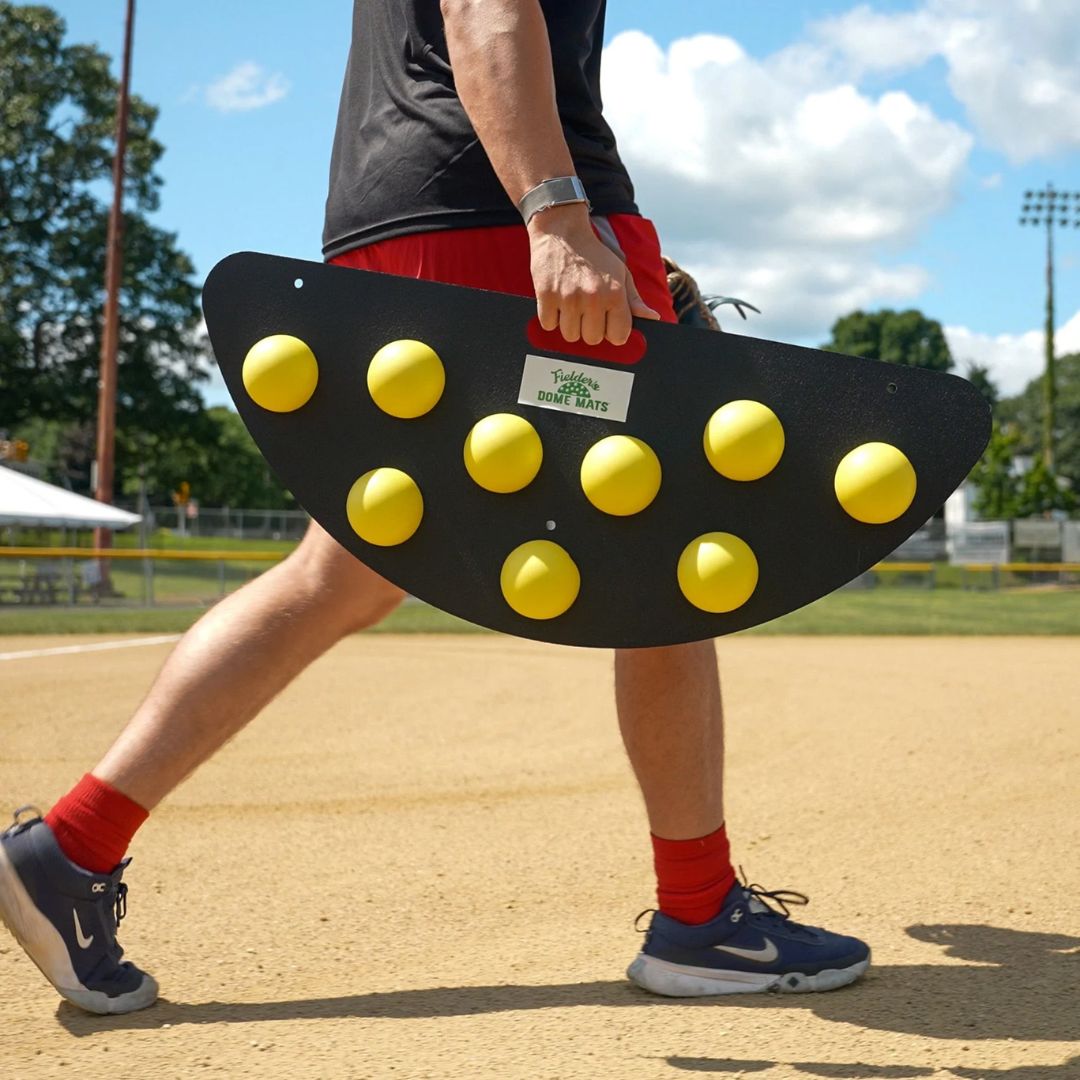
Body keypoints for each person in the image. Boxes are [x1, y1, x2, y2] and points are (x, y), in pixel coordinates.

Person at [0, 0, 869, 1015]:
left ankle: (72, 848)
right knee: (663, 552)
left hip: (393, 221)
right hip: (501, 209)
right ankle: (700, 913)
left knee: (340, 573)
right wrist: (558, 216)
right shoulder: (538, 206)